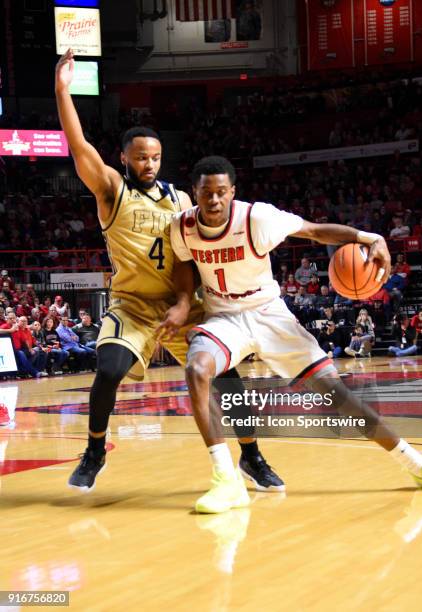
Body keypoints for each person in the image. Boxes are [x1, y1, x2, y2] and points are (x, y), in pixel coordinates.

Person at [171, 156, 422, 514]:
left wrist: (369, 237)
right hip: (224, 318)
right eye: (205, 193)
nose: (213, 201)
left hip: (269, 315)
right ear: (194, 192)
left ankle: (421, 467)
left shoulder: (256, 218)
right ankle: (225, 479)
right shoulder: (180, 226)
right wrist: (185, 301)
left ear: (232, 191)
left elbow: (313, 230)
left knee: (339, 396)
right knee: (197, 369)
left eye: (220, 193)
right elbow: (184, 264)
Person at [55, 50, 282, 493]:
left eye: (156, 157)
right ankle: (94, 451)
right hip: (134, 306)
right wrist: (63, 91)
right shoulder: (111, 191)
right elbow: (79, 147)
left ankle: (252, 456)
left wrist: (198, 302)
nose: (150, 164)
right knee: (109, 368)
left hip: (183, 305)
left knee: (228, 380)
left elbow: (198, 254)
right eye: (141, 157)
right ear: (124, 158)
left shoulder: (181, 201)